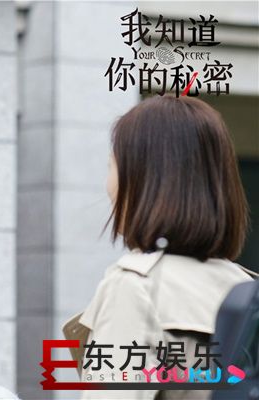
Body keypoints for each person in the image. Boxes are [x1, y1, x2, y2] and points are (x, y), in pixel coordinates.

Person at [63, 95, 256, 400]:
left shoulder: (136, 286)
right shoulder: (246, 287)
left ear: (142, 180)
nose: (108, 184)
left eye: (112, 165)